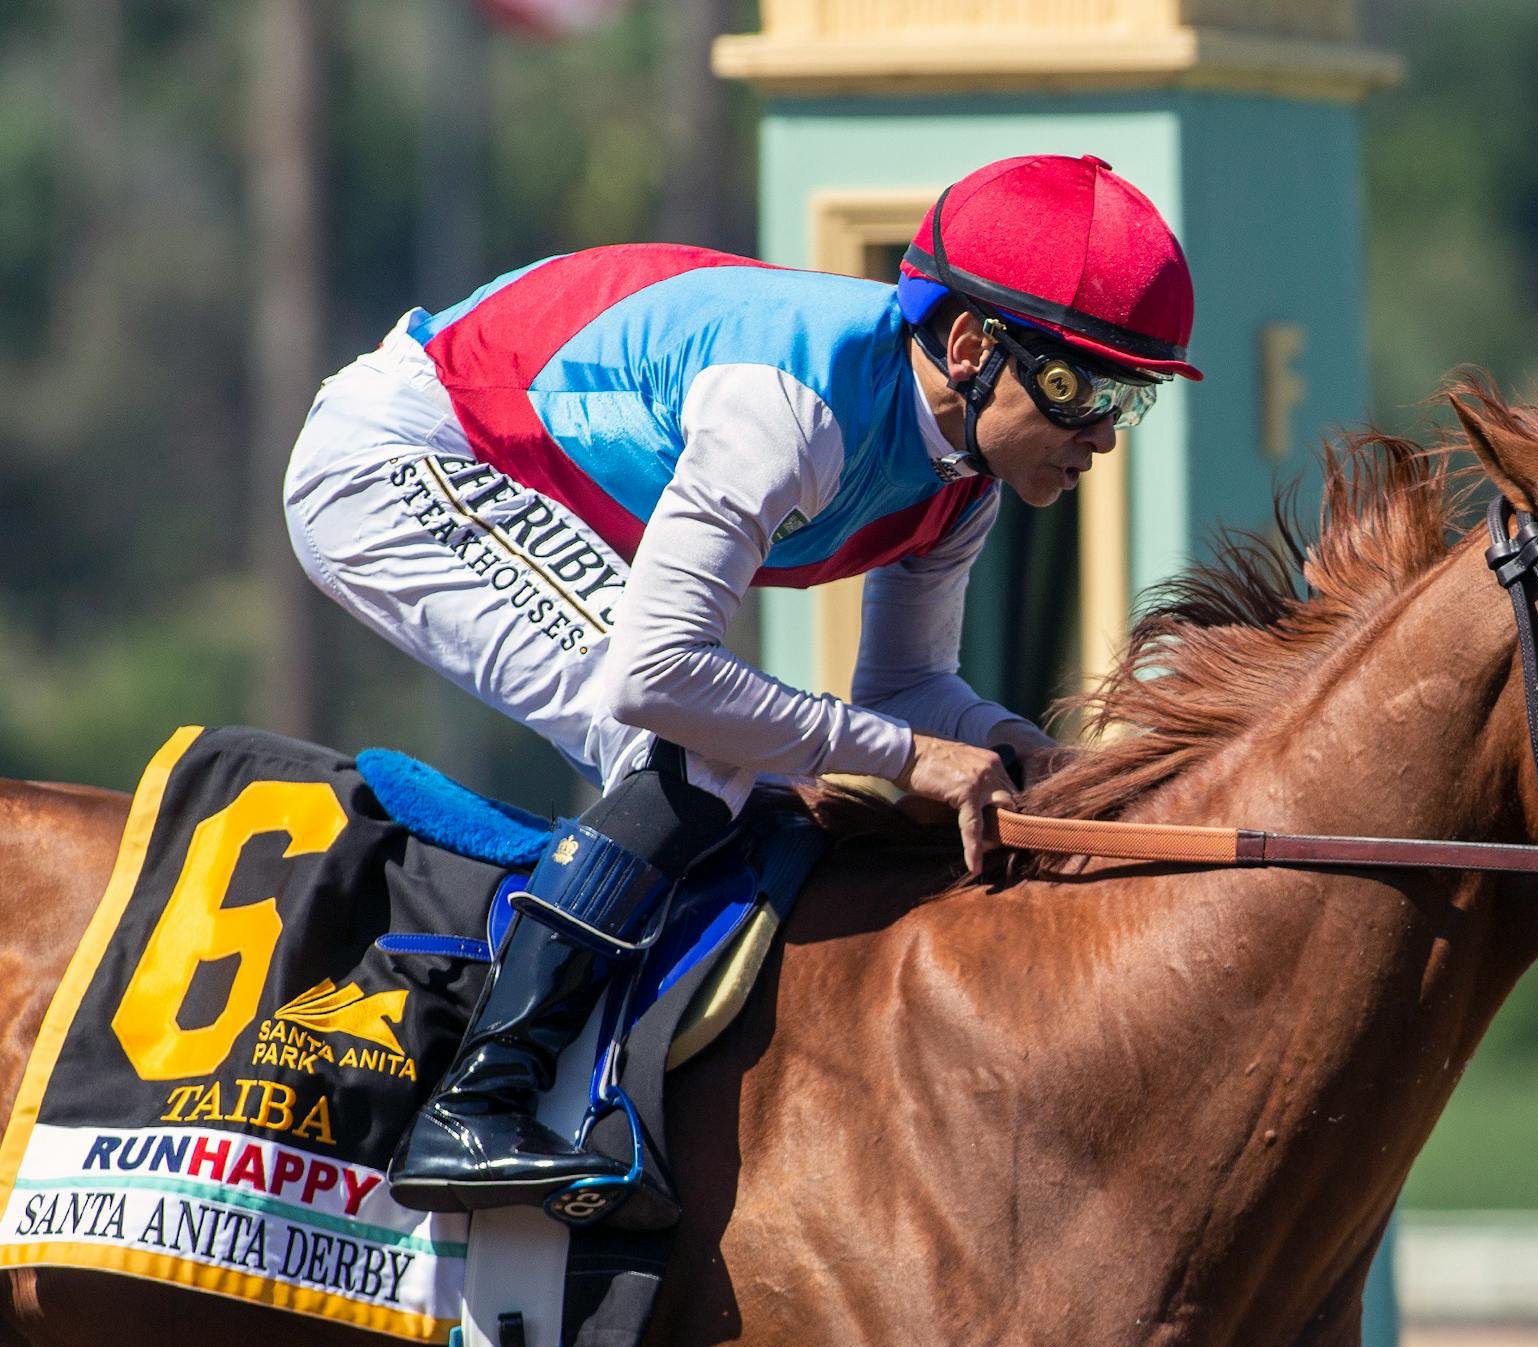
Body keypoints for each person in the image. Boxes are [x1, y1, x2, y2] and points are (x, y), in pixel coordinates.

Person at [282, 152, 1203, 1219]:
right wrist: (910, 759)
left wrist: (1027, 752)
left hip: (512, 473)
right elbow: (657, 677)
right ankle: (474, 1100)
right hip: (401, 455)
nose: (1098, 435)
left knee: (731, 751)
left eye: (1124, 400)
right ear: (967, 346)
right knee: (701, 741)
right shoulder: (791, 407)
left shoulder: (960, 486)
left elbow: (906, 689)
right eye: (1077, 388)